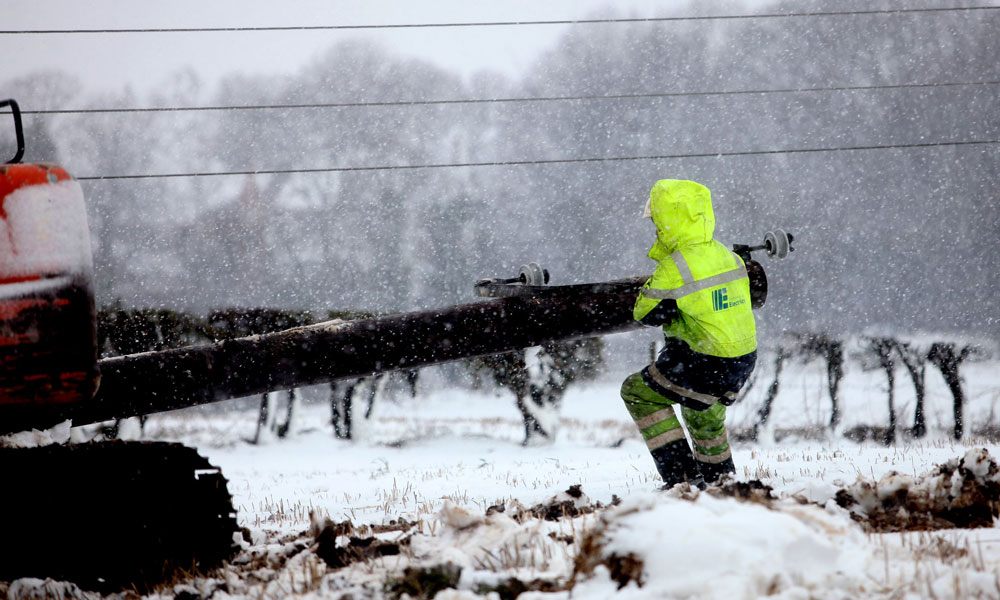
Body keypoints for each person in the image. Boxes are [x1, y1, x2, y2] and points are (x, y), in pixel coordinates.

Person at [620, 179, 757, 487]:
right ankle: (721, 481)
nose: (654, 229)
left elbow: (644, 314)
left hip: (703, 358)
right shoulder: (728, 256)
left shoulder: (675, 265)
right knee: (702, 409)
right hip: (742, 357)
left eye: (656, 221)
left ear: (669, 222)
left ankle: (683, 482)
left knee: (636, 392)